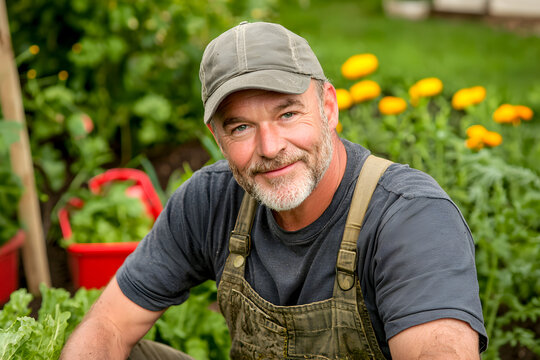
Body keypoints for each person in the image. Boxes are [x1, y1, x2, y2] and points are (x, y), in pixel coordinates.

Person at [61, 21, 488, 359]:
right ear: (216, 138)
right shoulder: (210, 200)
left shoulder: (410, 218)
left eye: (287, 114)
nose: (270, 148)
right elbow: (111, 325)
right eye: (241, 127)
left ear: (328, 107)